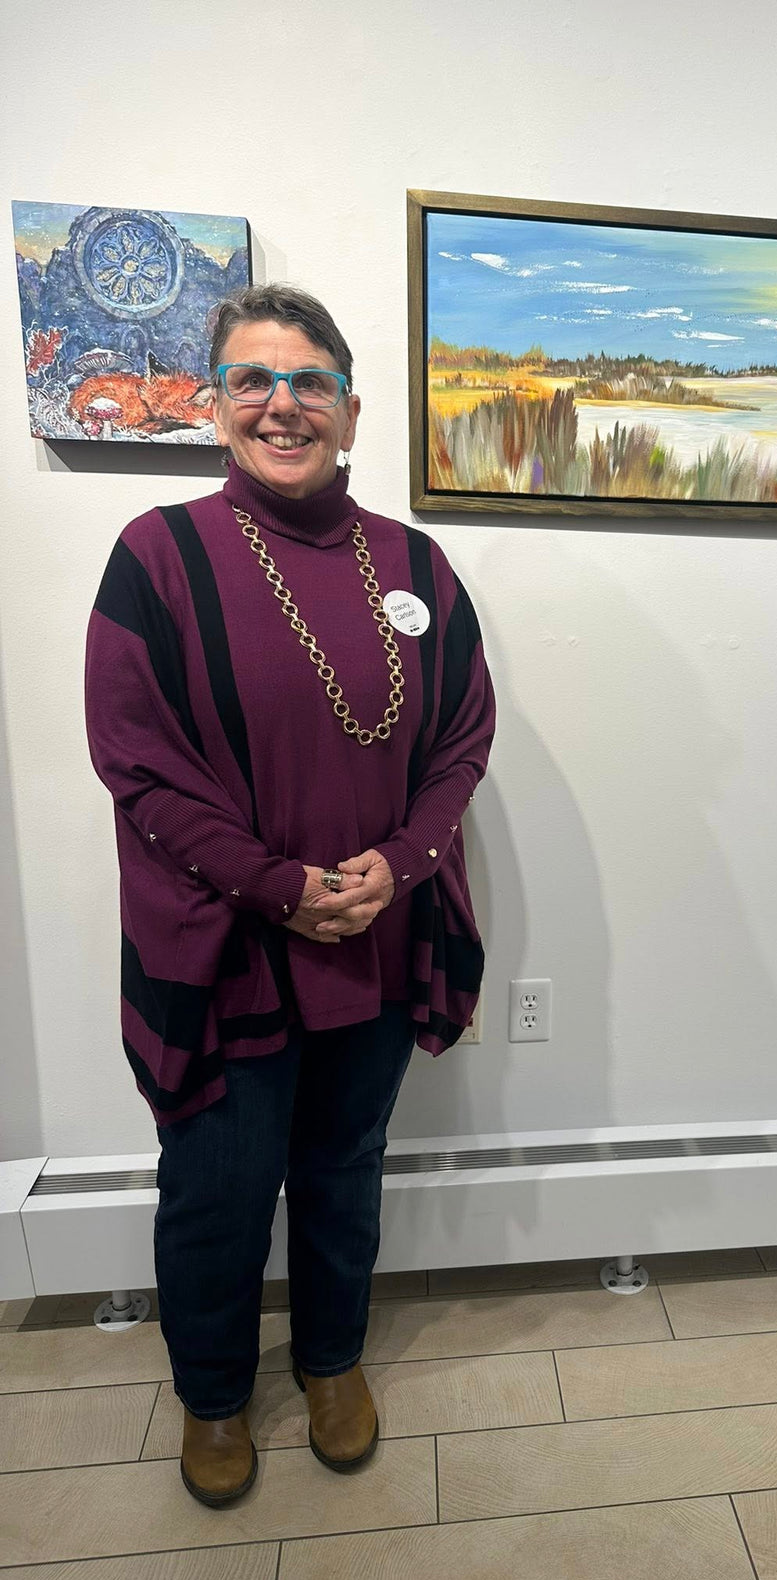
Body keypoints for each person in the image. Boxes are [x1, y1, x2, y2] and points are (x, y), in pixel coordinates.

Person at [84, 284, 495, 1507]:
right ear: (216, 410)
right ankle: (214, 1395)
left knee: (343, 1167)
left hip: (371, 934)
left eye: (310, 381)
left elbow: (463, 736)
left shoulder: (415, 564)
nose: (283, 403)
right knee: (215, 1187)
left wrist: (402, 864)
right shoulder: (157, 556)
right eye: (254, 380)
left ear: (351, 410)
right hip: (225, 945)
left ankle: (329, 1363)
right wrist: (274, 884)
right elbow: (133, 753)